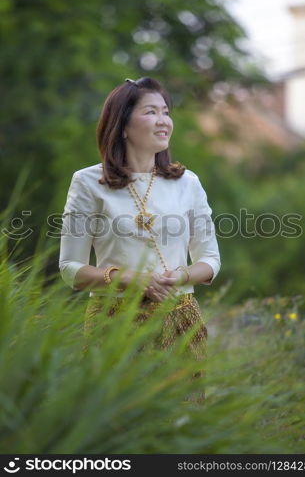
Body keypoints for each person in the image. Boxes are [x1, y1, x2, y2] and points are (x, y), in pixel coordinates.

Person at [59, 76, 221, 401]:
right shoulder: (88, 182)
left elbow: (210, 261)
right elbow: (70, 269)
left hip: (179, 319)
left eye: (165, 111)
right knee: (121, 425)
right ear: (122, 125)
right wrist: (129, 279)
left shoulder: (187, 182)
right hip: (113, 325)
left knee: (180, 426)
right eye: (151, 112)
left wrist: (179, 276)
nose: (163, 121)